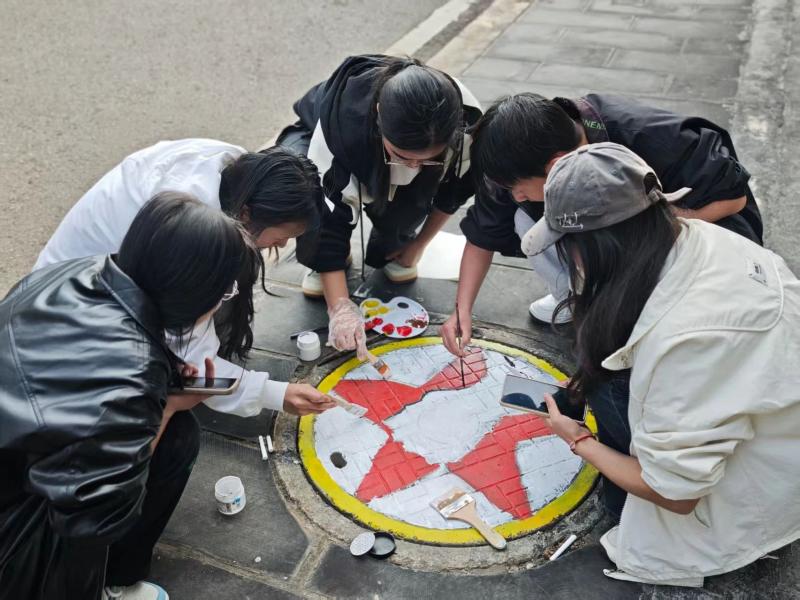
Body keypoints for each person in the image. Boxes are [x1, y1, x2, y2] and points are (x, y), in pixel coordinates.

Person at [525, 143, 800, 586]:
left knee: (611, 415)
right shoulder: (697, 236)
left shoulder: (688, 340)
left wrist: (578, 440)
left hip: (752, 491)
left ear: (598, 246)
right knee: (601, 366)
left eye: (568, 246)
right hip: (774, 432)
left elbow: (675, 494)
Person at [0, 194, 277, 599]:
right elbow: (98, 516)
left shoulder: (81, 271)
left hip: (17, 456)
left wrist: (167, 381)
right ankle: (104, 589)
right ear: (195, 292)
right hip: (14, 533)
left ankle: (119, 576)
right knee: (174, 437)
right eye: (225, 291)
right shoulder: (131, 372)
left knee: (179, 434)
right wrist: (170, 403)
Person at [34, 138, 333, 418]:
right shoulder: (193, 237)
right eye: (281, 237)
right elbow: (192, 356)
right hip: (69, 327)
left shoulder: (240, 173)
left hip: (51, 289)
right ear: (245, 214)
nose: (282, 245)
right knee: (174, 426)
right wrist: (273, 393)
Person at [441, 92, 763, 347]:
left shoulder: (643, 133)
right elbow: (482, 235)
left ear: (555, 165)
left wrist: (654, 220)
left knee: (642, 327)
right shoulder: (519, 162)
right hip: (627, 240)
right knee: (522, 221)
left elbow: (734, 198)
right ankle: (577, 297)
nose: (518, 196)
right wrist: (461, 310)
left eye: (519, 188)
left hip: (694, 233)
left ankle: (638, 307)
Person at [278, 55, 481, 356]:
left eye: (428, 158)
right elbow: (329, 211)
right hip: (315, 139)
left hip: (390, 148)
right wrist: (340, 307)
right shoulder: (342, 129)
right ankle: (328, 264)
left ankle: (394, 247)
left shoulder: (468, 124)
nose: (412, 167)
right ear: (377, 116)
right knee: (304, 190)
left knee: (411, 203)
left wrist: (419, 244)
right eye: (402, 155)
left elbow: (455, 191)